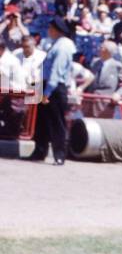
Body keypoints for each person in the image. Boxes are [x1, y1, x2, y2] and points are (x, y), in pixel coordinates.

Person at [28, 17, 75, 164]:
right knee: (42, 121)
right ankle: (39, 151)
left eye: (51, 28)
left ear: (56, 29)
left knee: (57, 123)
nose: (48, 30)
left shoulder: (63, 46)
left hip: (54, 88)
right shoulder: (57, 44)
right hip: (47, 85)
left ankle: (59, 155)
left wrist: (47, 93)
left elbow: (56, 71)